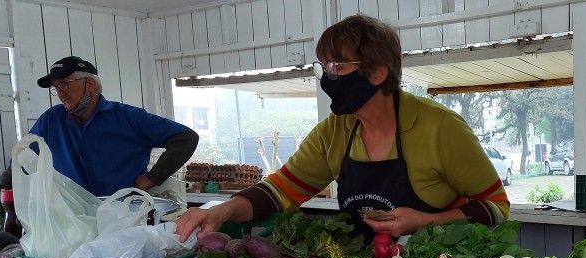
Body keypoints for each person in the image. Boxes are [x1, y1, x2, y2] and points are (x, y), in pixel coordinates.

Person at [177, 15, 509, 242]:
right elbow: (279, 192)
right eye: (323, 66)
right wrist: (221, 210)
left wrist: (426, 222)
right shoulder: (333, 132)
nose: (327, 77)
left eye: (337, 66)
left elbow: (496, 206)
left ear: (378, 73)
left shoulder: (440, 128)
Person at [0, 56, 198, 197]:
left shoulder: (127, 117)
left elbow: (185, 138)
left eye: (64, 83)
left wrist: (152, 178)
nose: (60, 92)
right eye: (56, 88)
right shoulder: (52, 120)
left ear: (89, 84)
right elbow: (21, 159)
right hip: (73, 219)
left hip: (123, 216)